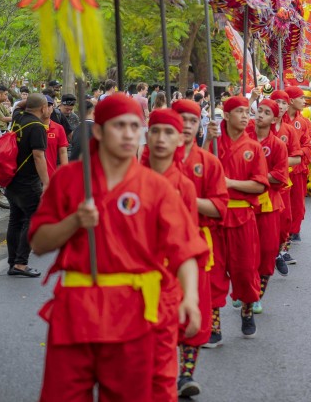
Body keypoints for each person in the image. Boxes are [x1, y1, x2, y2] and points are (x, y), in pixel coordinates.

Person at [28, 94, 204, 402]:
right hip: (76, 310)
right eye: (119, 125)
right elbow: (39, 243)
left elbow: (184, 249)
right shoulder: (69, 179)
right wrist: (75, 222)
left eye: (134, 126)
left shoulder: (156, 187)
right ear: (98, 131)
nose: (127, 134)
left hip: (133, 314)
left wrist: (190, 297)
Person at [141, 108, 209, 402]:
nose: (162, 138)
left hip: (176, 268)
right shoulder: (130, 177)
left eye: (170, 132)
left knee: (178, 332)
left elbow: (187, 236)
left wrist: (189, 293)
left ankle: (185, 375)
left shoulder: (185, 184)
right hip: (137, 275)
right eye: (156, 131)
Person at [171, 99, 227, 397]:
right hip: (160, 248)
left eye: (193, 120)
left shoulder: (209, 162)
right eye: (182, 119)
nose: (188, 125)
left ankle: (186, 374)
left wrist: (186, 199)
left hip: (196, 245)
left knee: (194, 311)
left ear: (199, 125)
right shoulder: (155, 159)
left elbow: (219, 206)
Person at [204, 95, 269, 343]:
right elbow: (196, 169)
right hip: (214, 217)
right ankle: (215, 325)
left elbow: (260, 185)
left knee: (244, 270)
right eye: (239, 112)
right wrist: (207, 140)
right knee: (214, 273)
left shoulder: (252, 147)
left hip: (243, 216)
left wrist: (231, 183)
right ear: (227, 115)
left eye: (246, 112)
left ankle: (247, 308)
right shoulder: (213, 143)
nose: (245, 116)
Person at [251, 99, 289, 312]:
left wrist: (255, 179)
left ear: (274, 119)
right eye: (259, 111)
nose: (260, 115)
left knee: (267, 252)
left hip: (268, 205)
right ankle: (244, 289)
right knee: (245, 253)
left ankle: (257, 295)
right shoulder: (243, 140)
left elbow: (280, 176)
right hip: (244, 205)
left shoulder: (277, 145)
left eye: (266, 112)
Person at [5, 93, 48, 277]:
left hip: (12, 179)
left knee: (15, 220)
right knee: (33, 219)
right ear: (44, 108)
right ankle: (21, 264)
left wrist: (30, 101)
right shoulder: (37, 127)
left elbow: (18, 106)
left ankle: (12, 262)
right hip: (28, 183)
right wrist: (46, 182)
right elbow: (39, 156)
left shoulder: (18, 117)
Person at [268, 90, 302, 272]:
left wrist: (277, 161)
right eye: (276, 102)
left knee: (284, 220)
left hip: (282, 184)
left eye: (283, 103)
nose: (280, 106)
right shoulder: (258, 128)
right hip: (261, 184)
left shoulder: (289, 130)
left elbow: (297, 158)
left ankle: (281, 252)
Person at [283, 86, 311, 242]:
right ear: (291, 100)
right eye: (301, 98)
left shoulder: (303, 122)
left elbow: (309, 143)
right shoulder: (278, 120)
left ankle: (295, 230)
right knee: (282, 201)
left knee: (297, 201)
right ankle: (283, 230)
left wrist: (299, 153)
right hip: (280, 168)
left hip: (297, 167)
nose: (304, 101)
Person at [41, 95, 69, 177]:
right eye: (43, 106)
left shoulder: (59, 128)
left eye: (49, 105)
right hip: (33, 179)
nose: (46, 108)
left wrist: (65, 173)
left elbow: (63, 152)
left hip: (51, 176)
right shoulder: (32, 127)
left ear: (53, 108)